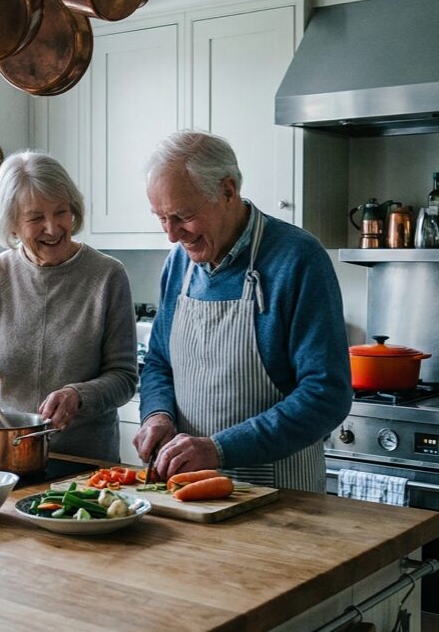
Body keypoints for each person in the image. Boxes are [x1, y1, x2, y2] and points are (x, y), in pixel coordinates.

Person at [134, 130, 353, 492]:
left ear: (228, 190)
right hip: (189, 490)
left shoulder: (298, 258)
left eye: (183, 216)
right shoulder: (178, 265)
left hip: (281, 494)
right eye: (161, 218)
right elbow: (158, 362)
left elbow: (326, 394)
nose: (172, 235)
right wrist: (158, 414)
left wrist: (219, 449)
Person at [0, 149, 138, 461]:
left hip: (84, 464)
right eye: (35, 218)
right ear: (12, 224)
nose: (52, 227)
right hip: (3, 459)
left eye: (61, 212)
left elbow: (124, 378)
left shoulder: (107, 275)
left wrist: (78, 396)